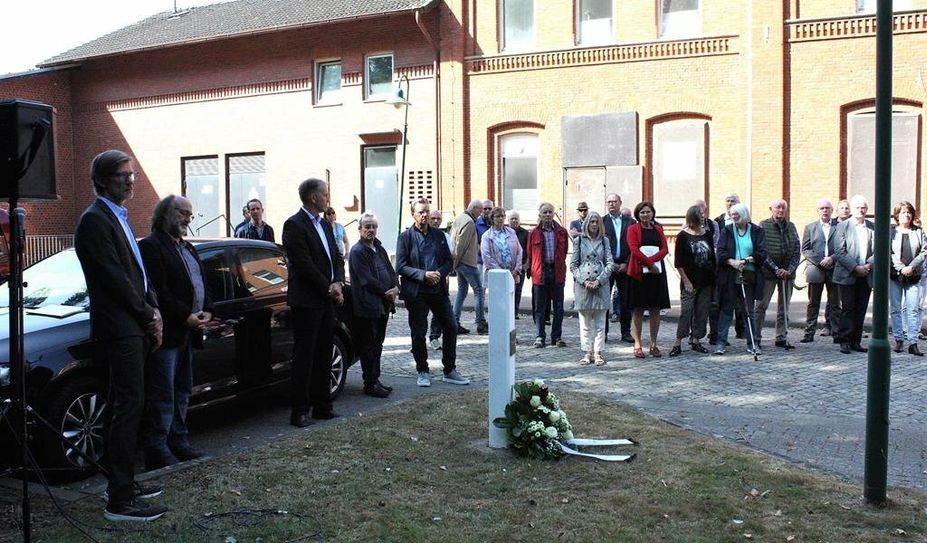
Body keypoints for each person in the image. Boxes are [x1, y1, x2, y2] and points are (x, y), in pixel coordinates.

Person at [74, 149, 166, 522]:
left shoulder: (120, 218)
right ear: (101, 180)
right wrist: (148, 315)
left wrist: (155, 308)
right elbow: (115, 280)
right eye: (121, 175)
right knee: (126, 408)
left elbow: (139, 273)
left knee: (129, 406)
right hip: (121, 329)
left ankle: (124, 482)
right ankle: (120, 500)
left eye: (132, 174)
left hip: (135, 326)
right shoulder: (95, 221)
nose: (130, 180)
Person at [139, 195, 213, 470]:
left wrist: (209, 309)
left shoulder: (188, 248)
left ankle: (179, 442)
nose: (187, 219)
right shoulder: (151, 247)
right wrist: (186, 315)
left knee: (182, 391)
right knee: (163, 394)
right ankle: (157, 449)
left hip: (189, 333)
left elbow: (201, 282)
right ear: (167, 214)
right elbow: (158, 290)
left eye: (190, 215)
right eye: (183, 213)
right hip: (168, 334)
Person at [281, 178, 345, 427]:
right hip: (307, 300)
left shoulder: (326, 224)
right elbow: (303, 263)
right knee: (305, 356)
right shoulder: (294, 225)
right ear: (313, 197)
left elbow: (336, 256)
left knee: (323, 354)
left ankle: (323, 405)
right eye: (325, 194)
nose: (328, 198)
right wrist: (328, 287)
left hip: (327, 299)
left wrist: (338, 281)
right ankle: (299, 410)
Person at [397, 198, 470, 387]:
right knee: (419, 332)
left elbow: (448, 261)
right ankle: (422, 370)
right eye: (421, 212)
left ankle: (450, 370)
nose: (425, 215)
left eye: (427, 211)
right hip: (417, 292)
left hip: (437, 290)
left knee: (451, 326)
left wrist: (439, 273)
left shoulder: (439, 235)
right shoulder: (405, 237)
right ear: (413, 214)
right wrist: (423, 275)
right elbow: (401, 266)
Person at [348, 212, 400, 396]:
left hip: (383, 306)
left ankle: (375, 379)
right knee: (368, 347)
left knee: (378, 344)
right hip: (367, 307)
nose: (371, 230)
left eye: (373, 227)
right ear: (360, 229)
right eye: (367, 227)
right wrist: (386, 292)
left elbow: (391, 270)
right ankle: (369, 384)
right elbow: (366, 280)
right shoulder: (357, 252)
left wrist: (396, 287)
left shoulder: (379, 247)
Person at [714, 204, 768, 355]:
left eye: (736, 214)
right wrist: (732, 262)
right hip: (730, 276)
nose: (733, 216)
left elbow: (762, 252)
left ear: (743, 214)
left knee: (748, 311)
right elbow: (720, 251)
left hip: (749, 276)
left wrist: (746, 261)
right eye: (731, 214)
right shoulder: (727, 230)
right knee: (726, 310)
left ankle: (752, 343)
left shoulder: (757, 231)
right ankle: (721, 343)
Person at [625, 201, 670, 358]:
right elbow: (634, 250)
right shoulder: (632, 229)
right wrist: (650, 263)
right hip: (639, 273)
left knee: (655, 308)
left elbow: (665, 249)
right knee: (638, 309)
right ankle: (637, 344)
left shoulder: (658, 229)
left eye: (648, 212)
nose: (645, 214)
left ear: (653, 213)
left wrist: (652, 263)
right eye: (642, 212)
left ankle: (653, 344)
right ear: (638, 214)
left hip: (656, 274)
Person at [755, 199, 800, 350]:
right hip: (768, 273)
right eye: (777, 207)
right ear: (771, 209)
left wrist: (790, 269)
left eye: (783, 208)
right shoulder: (763, 225)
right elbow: (762, 251)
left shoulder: (791, 227)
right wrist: (775, 269)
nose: (780, 210)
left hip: (787, 274)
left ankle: (781, 337)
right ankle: (756, 337)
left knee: (784, 307)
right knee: (761, 306)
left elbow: (796, 250)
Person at [671, 205, 716, 357]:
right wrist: (686, 281)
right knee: (686, 311)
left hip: (706, 280)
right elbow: (679, 263)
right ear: (693, 217)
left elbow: (712, 258)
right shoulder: (683, 236)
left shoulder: (707, 234)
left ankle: (696, 340)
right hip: (690, 281)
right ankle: (678, 343)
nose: (704, 216)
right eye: (701, 214)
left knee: (702, 312)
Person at [570, 211, 613, 365]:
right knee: (585, 322)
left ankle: (598, 352)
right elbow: (573, 265)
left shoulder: (605, 241)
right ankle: (587, 352)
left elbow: (610, 263)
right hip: (584, 286)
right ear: (587, 223)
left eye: (596, 222)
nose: (594, 224)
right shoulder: (579, 241)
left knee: (601, 322)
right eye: (591, 221)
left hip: (601, 285)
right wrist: (583, 280)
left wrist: (600, 281)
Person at [833, 195, 874, 355]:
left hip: (867, 273)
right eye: (857, 207)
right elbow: (840, 251)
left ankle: (856, 341)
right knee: (848, 308)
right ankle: (845, 340)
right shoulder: (842, 226)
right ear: (852, 209)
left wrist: (868, 265)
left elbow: (879, 249)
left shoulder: (872, 227)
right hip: (847, 274)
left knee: (861, 308)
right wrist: (856, 267)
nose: (861, 210)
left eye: (863, 207)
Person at [527, 202, 569, 348]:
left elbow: (564, 253)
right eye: (544, 212)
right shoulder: (533, 233)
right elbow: (530, 255)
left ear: (553, 213)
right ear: (540, 215)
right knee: (539, 307)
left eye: (550, 212)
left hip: (557, 272)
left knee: (558, 307)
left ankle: (556, 337)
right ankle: (540, 336)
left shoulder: (562, 232)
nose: (547, 215)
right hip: (540, 273)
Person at [889, 201, 926, 356]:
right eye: (903, 212)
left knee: (912, 309)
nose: (907, 215)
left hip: (913, 275)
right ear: (897, 215)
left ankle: (913, 342)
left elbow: (924, 251)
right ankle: (899, 339)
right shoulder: (891, 232)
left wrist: (911, 267)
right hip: (895, 275)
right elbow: (888, 252)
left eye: (909, 212)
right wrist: (901, 268)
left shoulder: (918, 231)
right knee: (896, 309)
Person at [801, 199, 839, 343]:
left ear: (832, 210)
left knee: (835, 303)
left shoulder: (839, 227)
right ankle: (809, 332)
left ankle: (836, 333)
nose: (825, 210)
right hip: (815, 269)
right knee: (813, 303)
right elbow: (805, 249)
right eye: (822, 208)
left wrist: (831, 259)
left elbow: (843, 247)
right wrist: (820, 260)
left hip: (834, 269)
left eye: (827, 208)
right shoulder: (810, 227)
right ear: (817, 211)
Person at [710, 192, 745, 343]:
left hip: (742, 266)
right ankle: (717, 334)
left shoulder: (745, 222)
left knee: (741, 302)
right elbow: (716, 245)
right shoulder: (717, 222)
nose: (730, 203)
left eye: (733, 201)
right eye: (728, 201)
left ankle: (742, 331)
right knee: (721, 302)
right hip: (723, 267)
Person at [450, 200, 488, 335]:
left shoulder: (460, 218)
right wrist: (455, 263)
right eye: (480, 210)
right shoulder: (469, 222)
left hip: (461, 262)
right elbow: (461, 244)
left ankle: (454, 321)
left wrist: (455, 263)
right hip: (467, 262)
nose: (481, 213)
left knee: (462, 291)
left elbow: (453, 239)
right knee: (479, 290)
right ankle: (480, 323)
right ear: (474, 209)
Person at [602, 193, 635, 341]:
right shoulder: (601, 222)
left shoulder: (631, 222)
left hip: (625, 265)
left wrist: (626, 263)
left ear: (620, 203)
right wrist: (610, 263)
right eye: (609, 202)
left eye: (614, 201)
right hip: (607, 267)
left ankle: (626, 332)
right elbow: (599, 246)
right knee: (604, 300)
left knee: (626, 300)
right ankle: (603, 333)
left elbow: (635, 245)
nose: (611, 204)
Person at [480, 206, 523, 292]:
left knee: (511, 302)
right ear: (492, 218)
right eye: (498, 216)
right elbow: (487, 257)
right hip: (496, 275)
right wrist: (502, 273)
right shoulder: (486, 236)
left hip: (512, 274)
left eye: (502, 216)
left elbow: (519, 251)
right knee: (498, 302)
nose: (500, 218)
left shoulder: (511, 232)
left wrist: (517, 269)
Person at [428, 209, 452, 350]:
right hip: (423, 280)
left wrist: (442, 274)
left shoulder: (444, 236)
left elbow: (450, 258)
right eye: (433, 218)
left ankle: (435, 336)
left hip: (440, 279)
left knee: (438, 312)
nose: (436, 221)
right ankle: (417, 342)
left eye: (438, 218)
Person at [508, 210, 529, 319]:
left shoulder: (525, 233)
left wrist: (527, 264)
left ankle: (515, 312)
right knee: (508, 290)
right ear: (508, 221)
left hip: (521, 266)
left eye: (516, 218)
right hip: (508, 267)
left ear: (519, 220)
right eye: (512, 218)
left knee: (518, 290)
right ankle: (508, 311)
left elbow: (529, 250)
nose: (514, 220)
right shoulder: (505, 232)